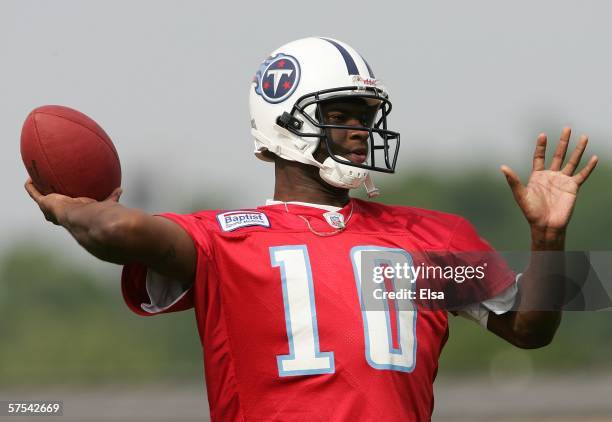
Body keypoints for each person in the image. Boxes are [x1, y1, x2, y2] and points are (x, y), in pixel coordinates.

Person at [25, 37, 598, 421]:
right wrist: (69, 207)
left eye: (364, 118)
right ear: (282, 120)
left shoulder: (426, 241)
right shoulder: (227, 239)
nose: (358, 133)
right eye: (340, 115)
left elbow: (528, 329)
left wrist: (548, 240)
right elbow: (119, 231)